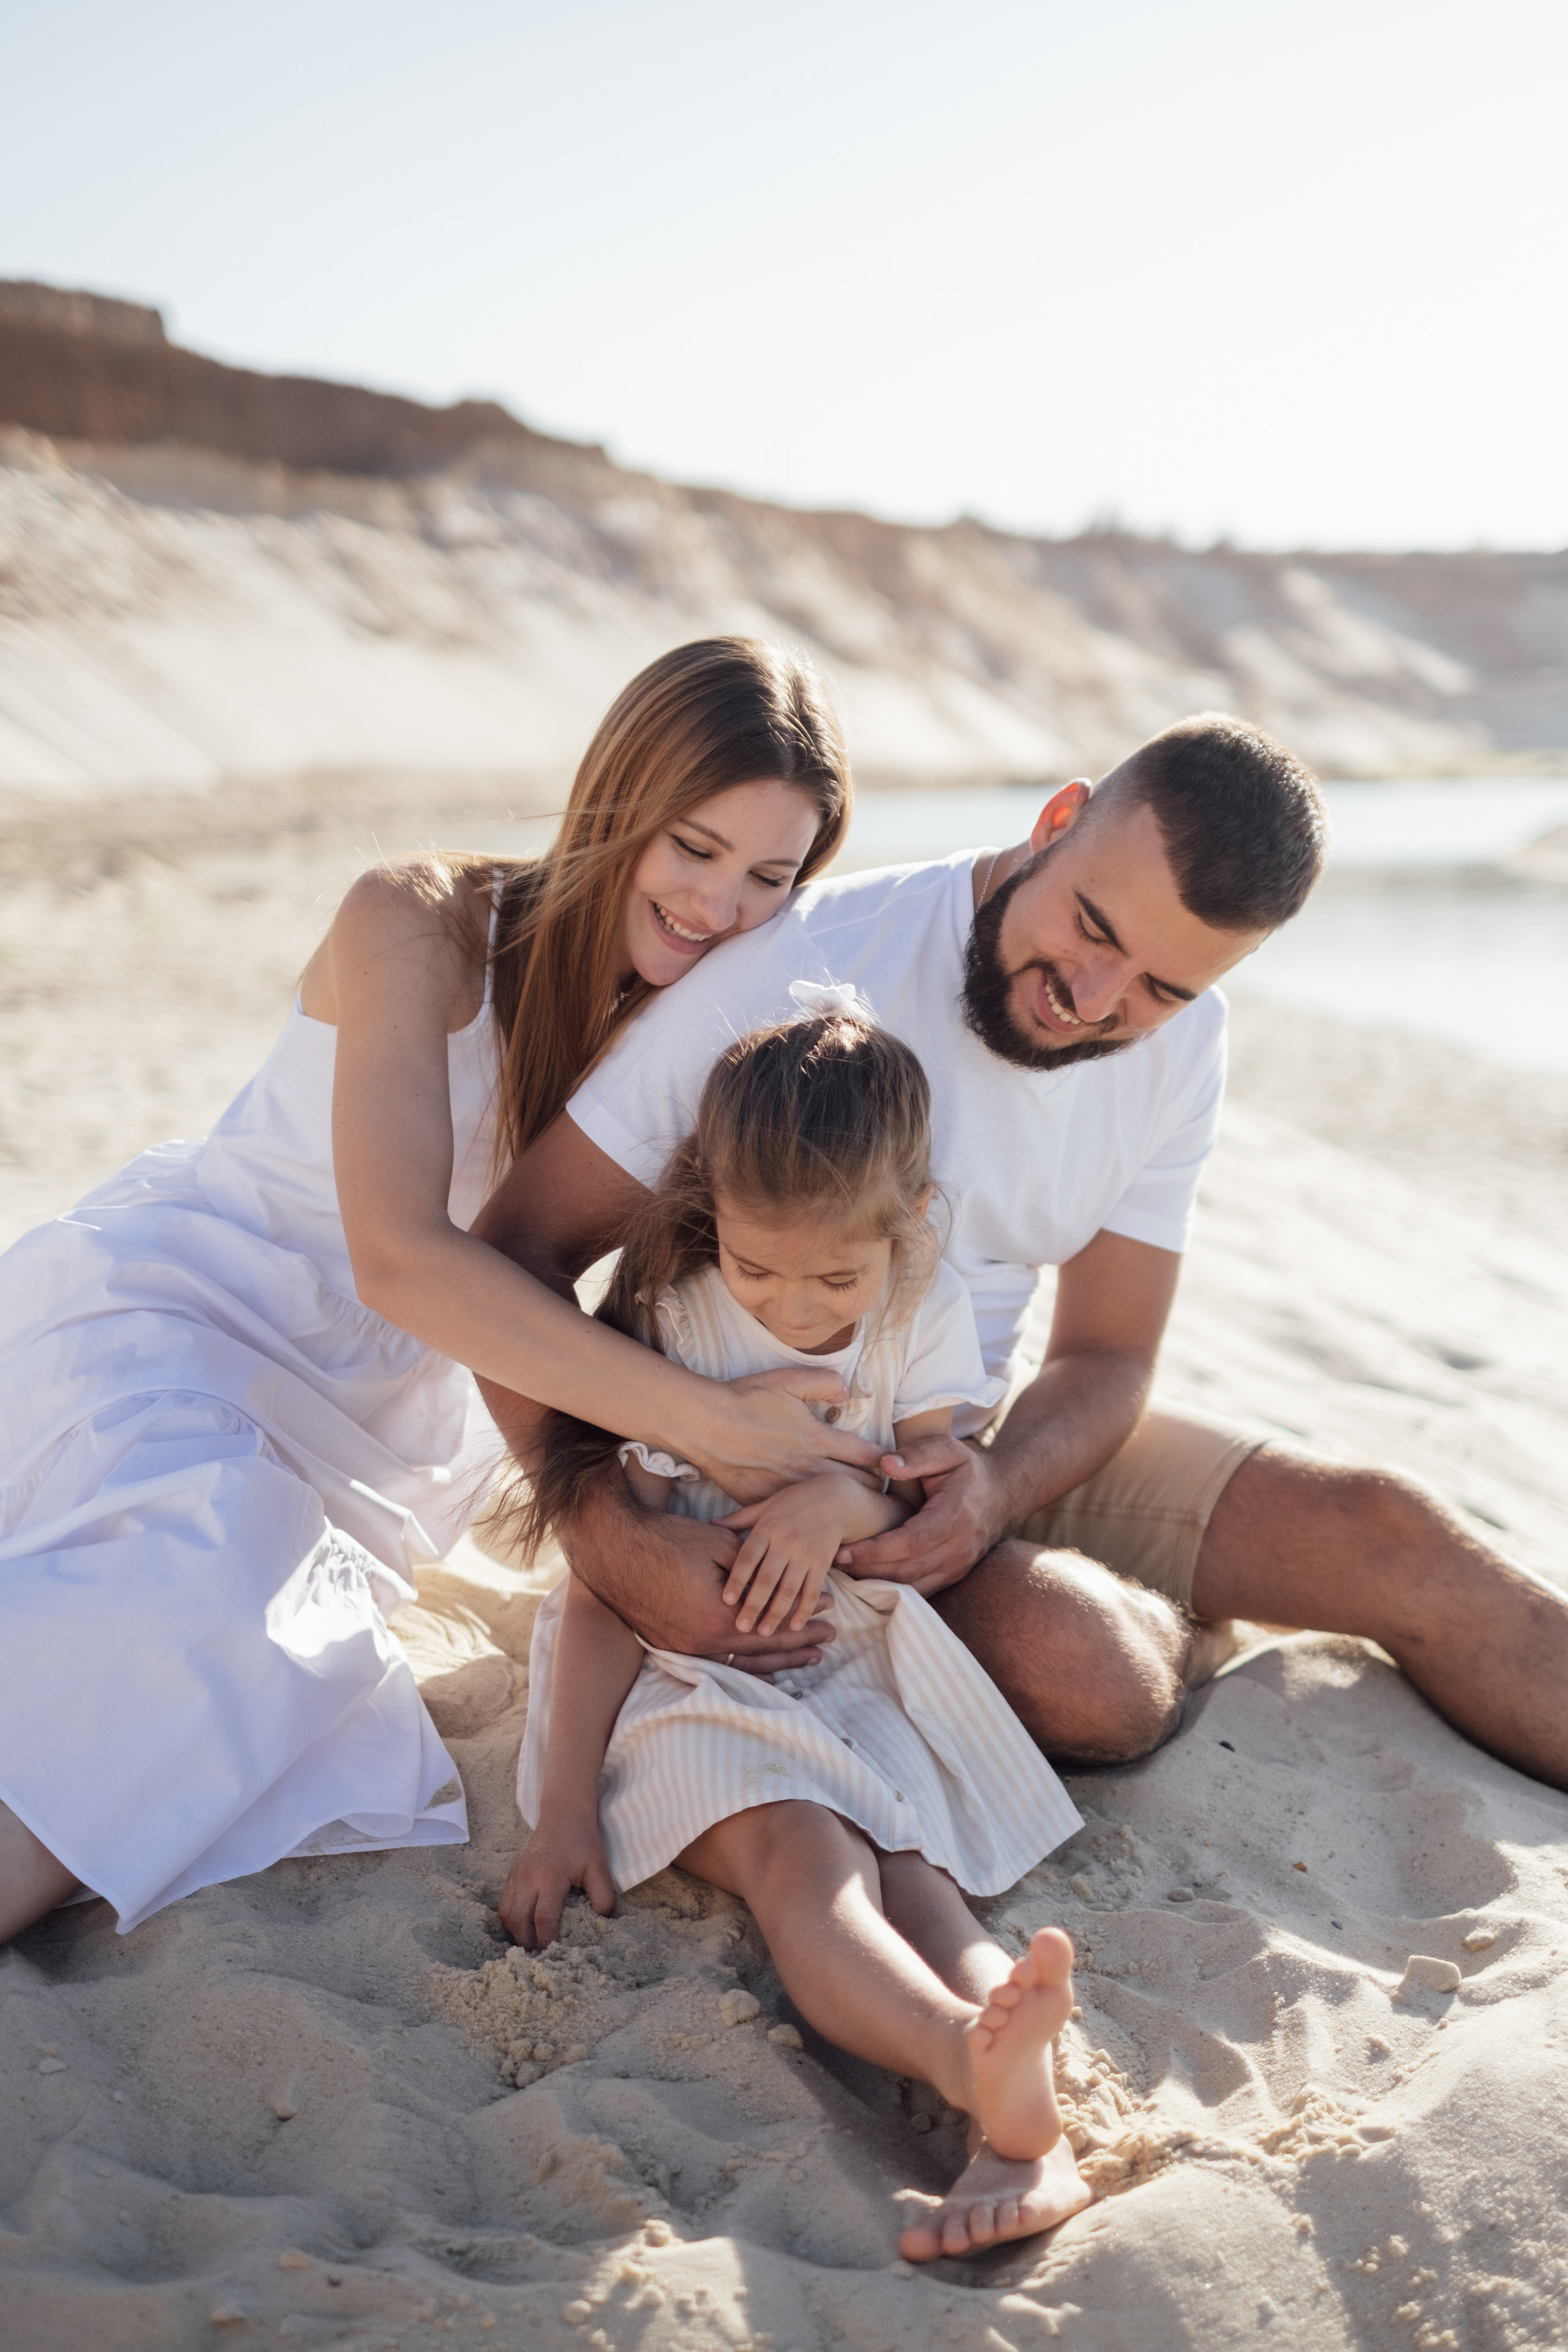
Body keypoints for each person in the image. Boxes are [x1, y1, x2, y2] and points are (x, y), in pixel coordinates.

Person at [471, 712, 1568, 1791]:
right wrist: (606, 1534)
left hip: (978, 1451)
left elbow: (1106, 1358)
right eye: (1093, 927)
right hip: (777, 1494)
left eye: (1162, 988)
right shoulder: (800, 969)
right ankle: (1166, 1627)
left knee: (1394, 1530)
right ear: (1056, 822)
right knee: (1093, 1674)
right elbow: (513, 1255)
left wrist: (994, 1489)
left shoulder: (1185, 1045)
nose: (1094, 1000)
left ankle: (1154, 1605)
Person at [0, 637, 901, 1945]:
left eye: (769, 878)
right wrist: (709, 1426)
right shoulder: (416, 921)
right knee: (192, 1586)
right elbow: (400, 1256)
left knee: (249, 1650)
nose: (718, 906)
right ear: (618, 804)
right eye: (692, 849)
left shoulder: (700, 1033)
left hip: (381, 1440)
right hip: (182, 1318)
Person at [503, 1002, 1090, 2261]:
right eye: (762, 1268)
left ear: (911, 1219)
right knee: (805, 1860)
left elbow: (926, 1480)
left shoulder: (917, 1305)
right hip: (680, 1674)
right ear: (712, 1210)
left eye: (838, 1275)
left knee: (913, 1870)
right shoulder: (678, 1319)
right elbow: (610, 1585)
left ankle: (1011, 2077)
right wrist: (561, 1813)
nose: (801, 1302)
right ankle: (958, 2055)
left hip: (839, 1656)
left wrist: (844, 1492)